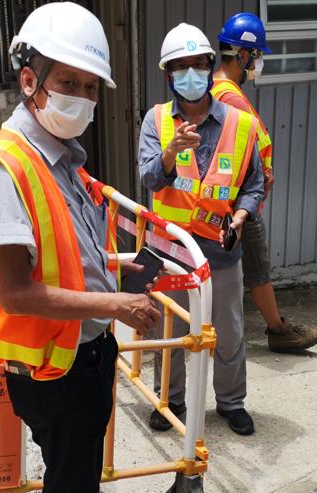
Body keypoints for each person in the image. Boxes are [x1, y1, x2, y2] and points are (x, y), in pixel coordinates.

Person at [0, 4, 161, 493]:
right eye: (68, 81)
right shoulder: (8, 169)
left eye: (91, 87)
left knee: (76, 480)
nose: (82, 97)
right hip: (55, 370)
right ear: (29, 81)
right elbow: (16, 293)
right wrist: (117, 303)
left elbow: (66, 254)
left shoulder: (57, 159)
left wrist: (117, 265)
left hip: (81, 357)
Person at [138, 23, 266, 435]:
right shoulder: (156, 122)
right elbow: (149, 180)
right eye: (180, 67)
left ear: (211, 67)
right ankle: (170, 401)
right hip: (171, 251)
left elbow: (254, 183)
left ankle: (231, 403)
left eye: (198, 65)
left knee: (228, 333)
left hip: (222, 250)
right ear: (168, 73)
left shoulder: (240, 125)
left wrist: (245, 212)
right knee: (171, 330)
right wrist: (171, 153)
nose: (190, 74)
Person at [211, 12, 317, 352]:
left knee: (241, 268)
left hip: (238, 198)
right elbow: (244, 148)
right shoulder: (229, 96)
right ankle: (277, 330)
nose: (258, 63)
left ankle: (272, 326)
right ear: (242, 55)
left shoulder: (219, 90)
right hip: (244, 200)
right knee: (257, 268)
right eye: (256, 55)